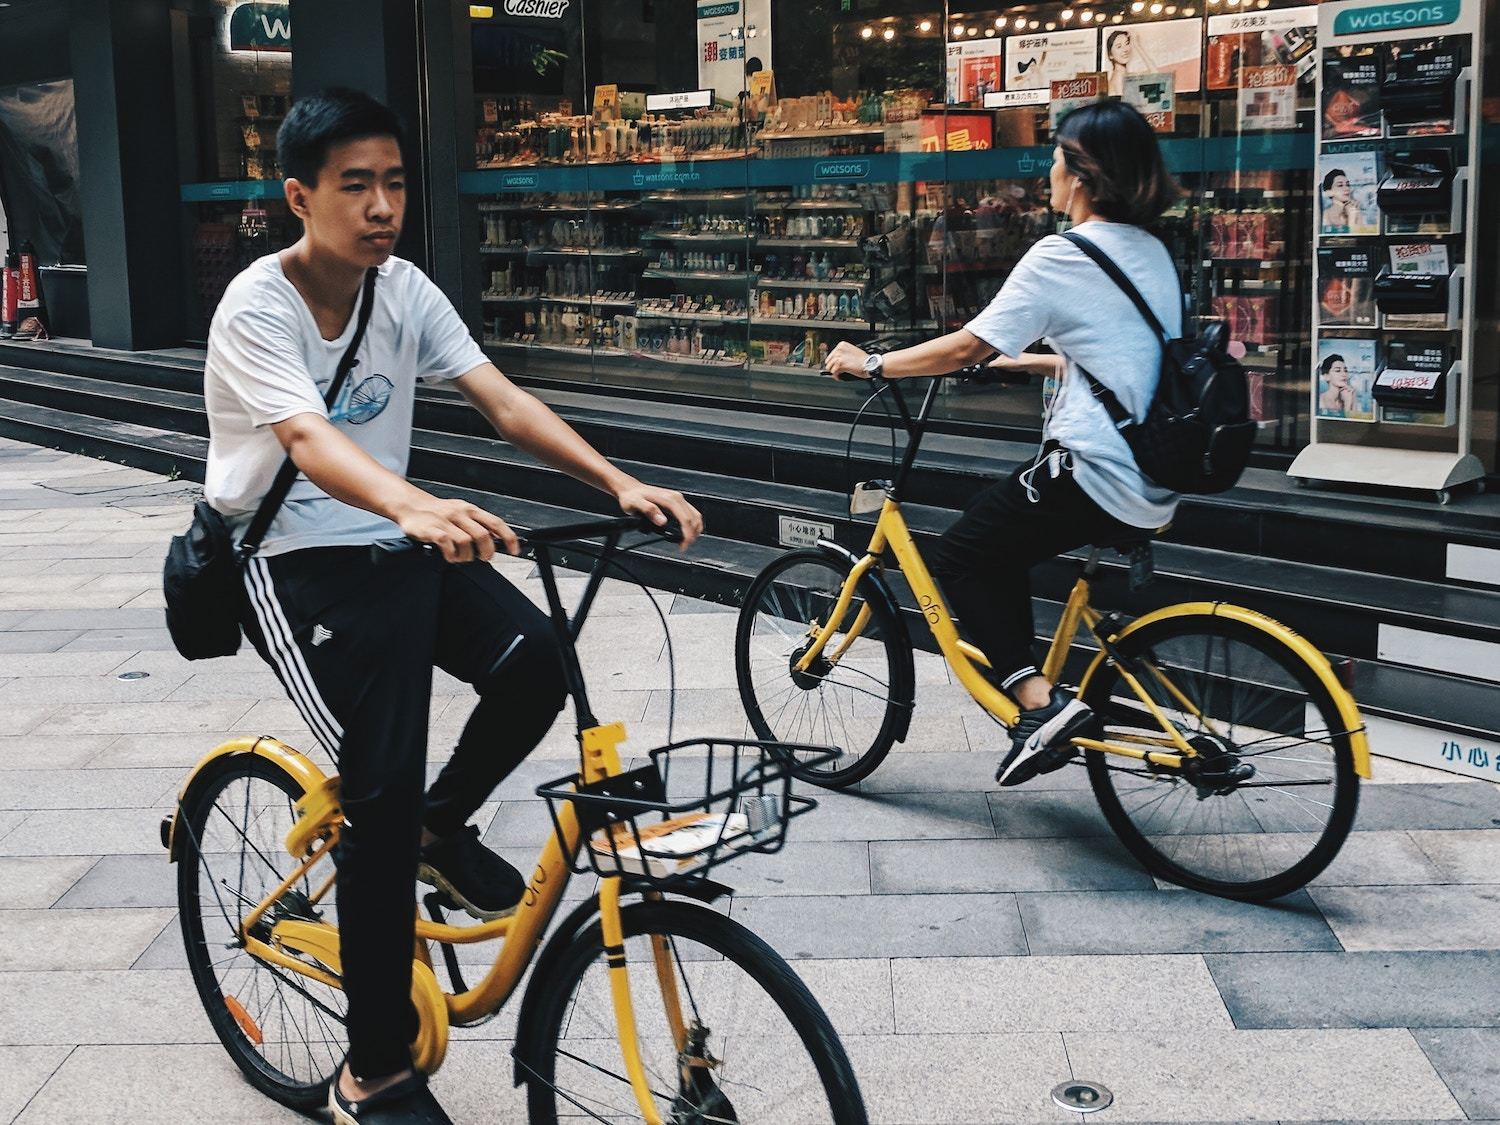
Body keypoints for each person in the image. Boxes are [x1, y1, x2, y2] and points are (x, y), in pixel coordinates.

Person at [202, 88, 702, 1125]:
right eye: (356, 186)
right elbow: (307, 442)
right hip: (290, 562)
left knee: (538, 665)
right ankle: (371, 1069)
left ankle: (441, 822)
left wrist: (617, 484)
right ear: (300, 196)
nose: (383, 205)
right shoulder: (258, 306)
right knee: (374, 803)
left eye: (394, 183)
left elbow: (503, 397)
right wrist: (416, 503)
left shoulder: (405, 289)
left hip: (398, 539)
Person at [824, 101, 1181, 788]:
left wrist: (871, 363)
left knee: (959, 554)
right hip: (1154, 476)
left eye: (1056, 156)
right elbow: (1133, 359)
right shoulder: (1152, 252)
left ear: (1082, 174)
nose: (1047, 168)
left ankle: (1035, 704)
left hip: (1096, 472)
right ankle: (1036, 688)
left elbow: (966, 343)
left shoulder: (1063, 254)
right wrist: (1032, 362)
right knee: (996, 522)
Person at [1321, 168, 1363, 232]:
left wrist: (1354, 215)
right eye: (1340, 185)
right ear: (1329, 192)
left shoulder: (1355, 210)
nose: (1346, 188)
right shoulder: (1325, 215)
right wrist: (1351, 219)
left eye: (1348, 185)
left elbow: (1360, 236)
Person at [1106, 30, 1133, 96]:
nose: (1125, 50)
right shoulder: (1119, 76)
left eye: (1127, 43)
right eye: (1119, 47)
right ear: (1110, 55)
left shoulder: (1121, 74)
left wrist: (1138, 46)